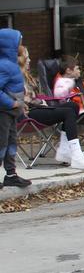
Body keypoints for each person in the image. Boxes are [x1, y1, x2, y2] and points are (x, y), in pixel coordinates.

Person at [19, 45, 84, 169]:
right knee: (67, 112)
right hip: (26, 114)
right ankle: (76, 156)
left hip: (37, 108)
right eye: (27, 57)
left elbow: (34, 97)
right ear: (19, 59)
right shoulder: (15, 76)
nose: (29, 60)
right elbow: (22, 99)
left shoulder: (26, 75)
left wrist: (42, 100)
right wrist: (40, 102)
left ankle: (64, 149)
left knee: (73, 106)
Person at [0, 29, 32, 188]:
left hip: (11, 113)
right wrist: (11, 103)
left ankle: (11, 174)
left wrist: (21, 103)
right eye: (18, 41)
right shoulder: (4, 65)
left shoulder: (11, 64)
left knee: (11, 143)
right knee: (2, 143)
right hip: (3, 112)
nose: (20, 44)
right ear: (9, 45)